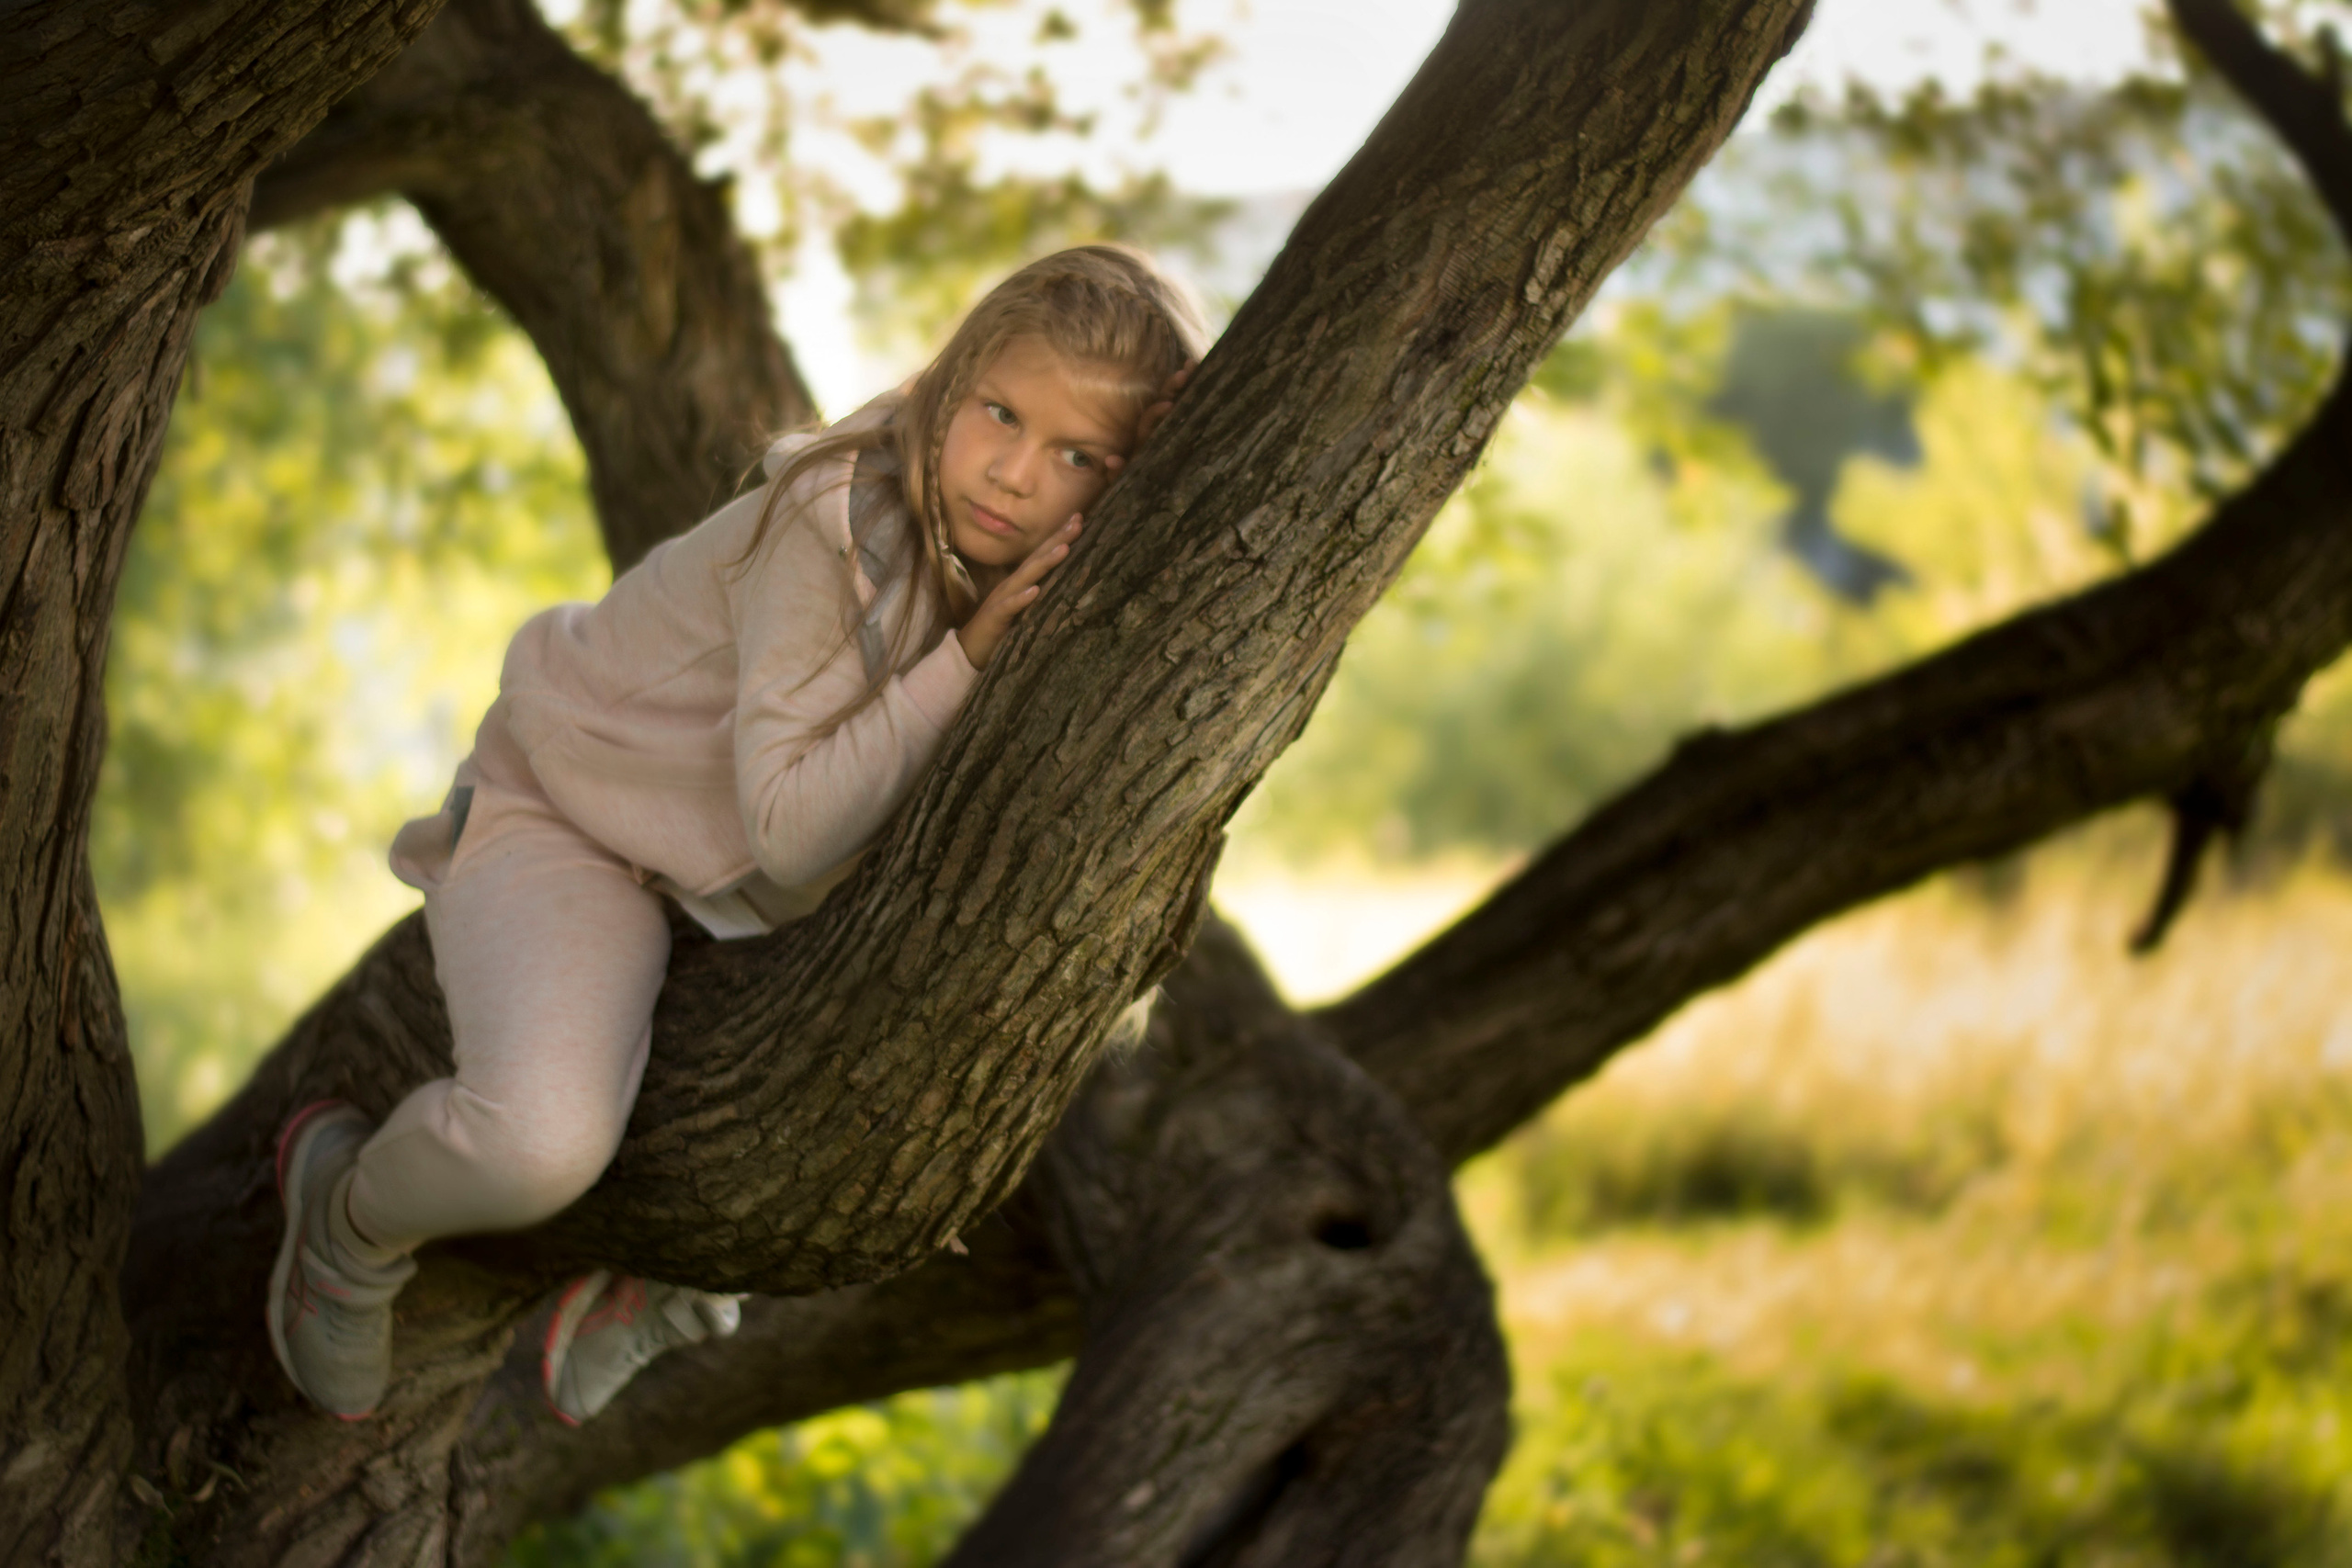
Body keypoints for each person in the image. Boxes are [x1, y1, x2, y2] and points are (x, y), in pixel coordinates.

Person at [266, 245, 1204, 1426]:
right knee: (538, 1146)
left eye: (1080, 457)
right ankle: (346, 1225)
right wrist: (966, 663)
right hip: (583, 817)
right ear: (956, 377)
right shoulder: (842, 515)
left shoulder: (1058, 566)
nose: (1014, 475)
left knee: (915, 1071)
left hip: (748, 899)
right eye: (999, 414)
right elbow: (798, 831)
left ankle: (665, 1282)